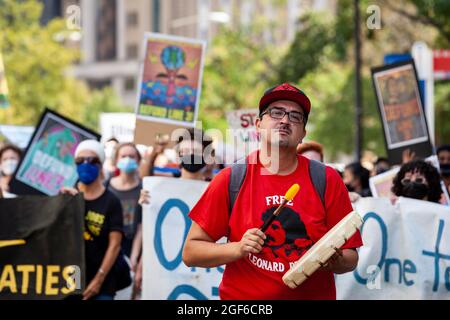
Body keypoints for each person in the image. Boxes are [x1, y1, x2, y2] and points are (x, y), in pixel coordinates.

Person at [182, 83, 362, 300]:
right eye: (276, 113)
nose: (285, 120)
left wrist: (334, 261)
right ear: (258, 125)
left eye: (295, 116)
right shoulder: (231, 179)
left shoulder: (327, 179)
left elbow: (351, 257)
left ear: (303, 133)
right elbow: (191, 252)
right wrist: (238, 248)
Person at [131, 128, 214, 299]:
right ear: (178, 156)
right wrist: (142, 265)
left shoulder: (218, 191)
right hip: (168, 274)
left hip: (204, 272)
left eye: (197, 152)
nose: (191, 156)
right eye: (186, 151)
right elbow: (153, 235)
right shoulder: (160, 191)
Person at [61, 140, 124, 300]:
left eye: (92, 160)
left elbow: (115, 245)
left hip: (103, 278)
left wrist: (99, 279)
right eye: (80, 161)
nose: (85, 164)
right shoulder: (67, 196)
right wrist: (71, 203)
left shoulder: (111, 201)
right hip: (72, 276)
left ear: (101, 164)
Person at [107, 142, 142, 258]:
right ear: (116, 160)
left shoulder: (143, 189)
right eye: (123, 156)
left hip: (130, 244)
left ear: (138, 160)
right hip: (107, 243)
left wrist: (134, 257)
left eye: (132, 156)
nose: (127, 159)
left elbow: (141, 226)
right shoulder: (107, 186)